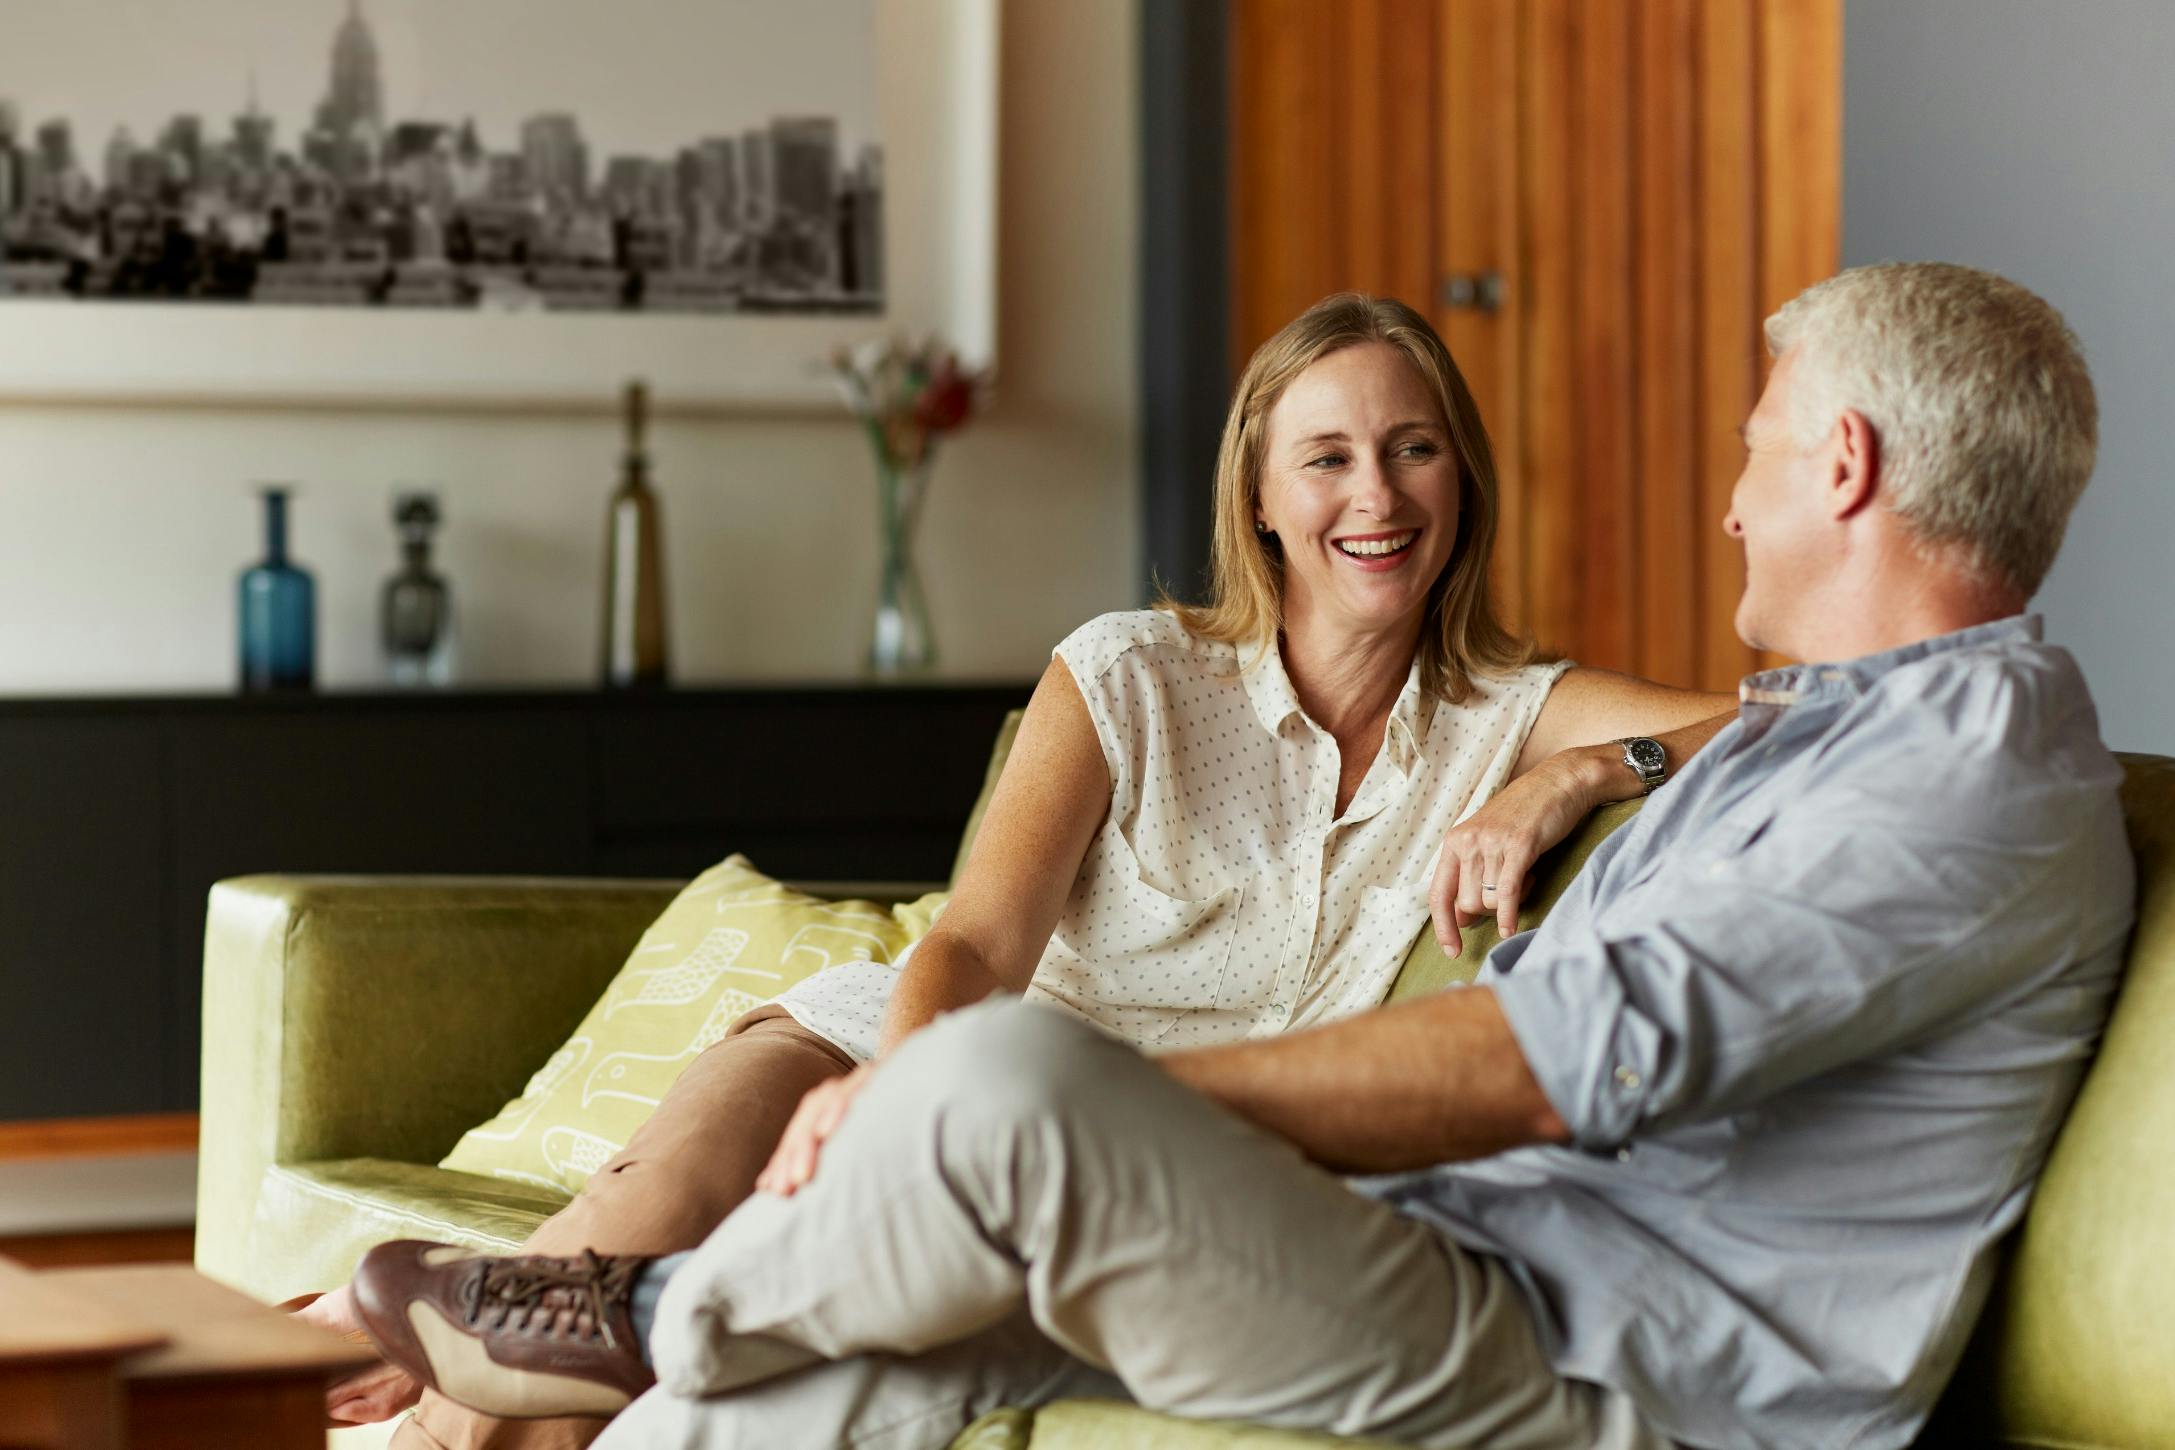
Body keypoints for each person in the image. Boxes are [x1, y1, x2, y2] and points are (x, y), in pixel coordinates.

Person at [348, 261, 2133, 1450]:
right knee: (880, 1340)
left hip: (1625, 1366)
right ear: (1264, 493)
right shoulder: (1843, 725)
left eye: (1754, 454)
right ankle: (640, 1343)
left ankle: (646, 1304)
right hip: (1483, 1263)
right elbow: (1726, 732)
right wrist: (1609, 766)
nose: (1730, 498)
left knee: (1005, 1093)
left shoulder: (1960, 777)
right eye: (1334, 457)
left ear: (1843, 464)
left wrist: (1116, 1119)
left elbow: (1539, 1058)